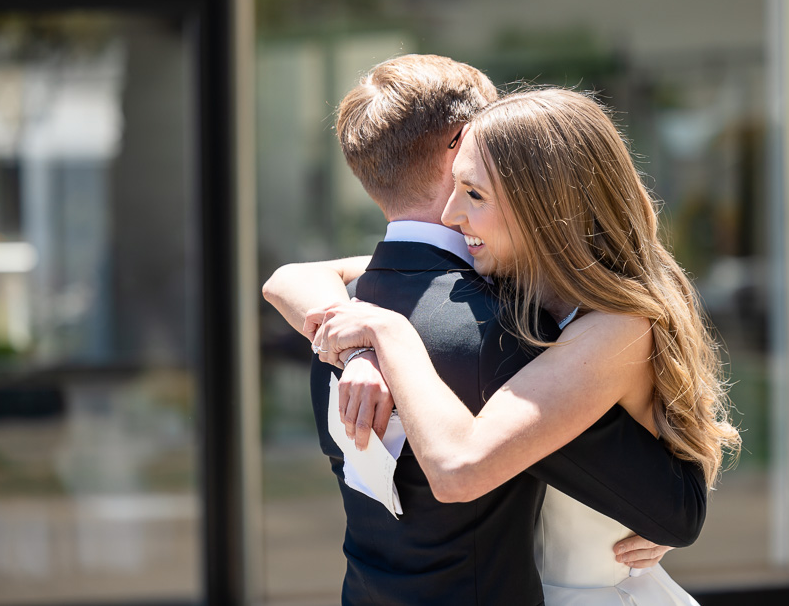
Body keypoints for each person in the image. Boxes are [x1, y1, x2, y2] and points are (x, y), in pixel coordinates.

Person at [263, 55, 708, 606]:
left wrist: (389, 335)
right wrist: (360, 351)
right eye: (460, 184)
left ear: (540, 198)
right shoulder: (495, 303)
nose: (452, 213)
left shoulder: (578, 325)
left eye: (474, 192)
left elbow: (677, 502)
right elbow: (288, 278)